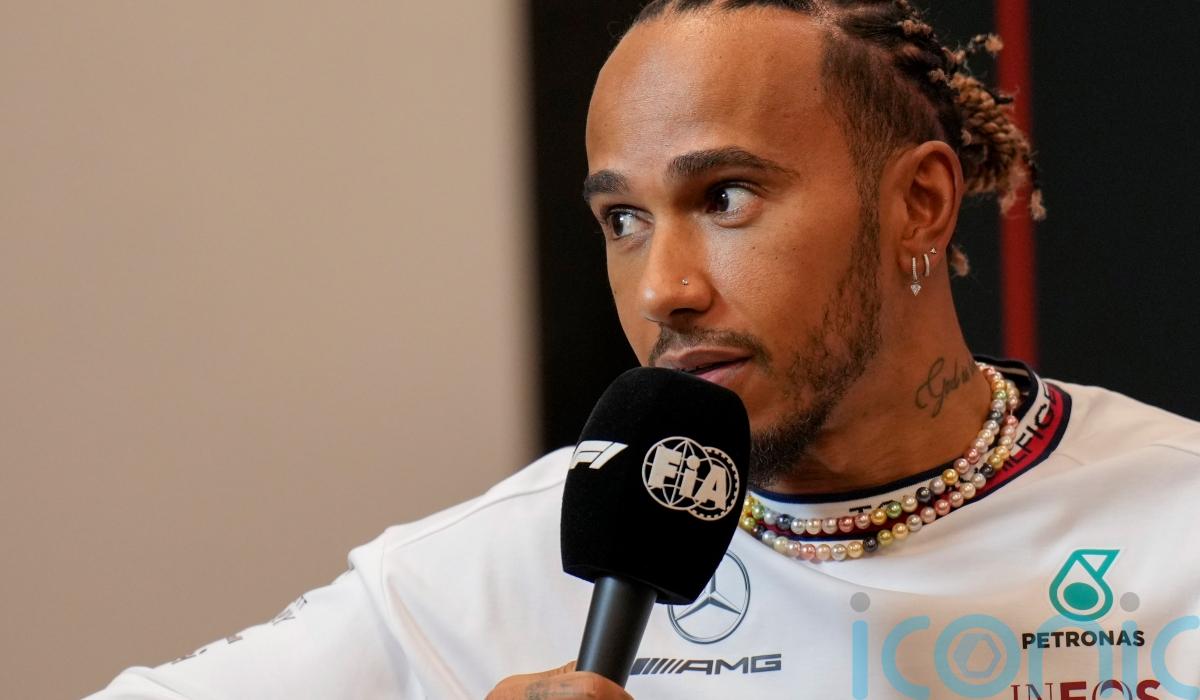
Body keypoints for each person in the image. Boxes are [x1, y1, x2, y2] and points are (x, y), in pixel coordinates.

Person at [90, 1, 1200, 698]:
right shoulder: (478, 577)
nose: (664, 289)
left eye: (725, 197)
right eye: (622, 219)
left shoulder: (1176, 520)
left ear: (918, 202)